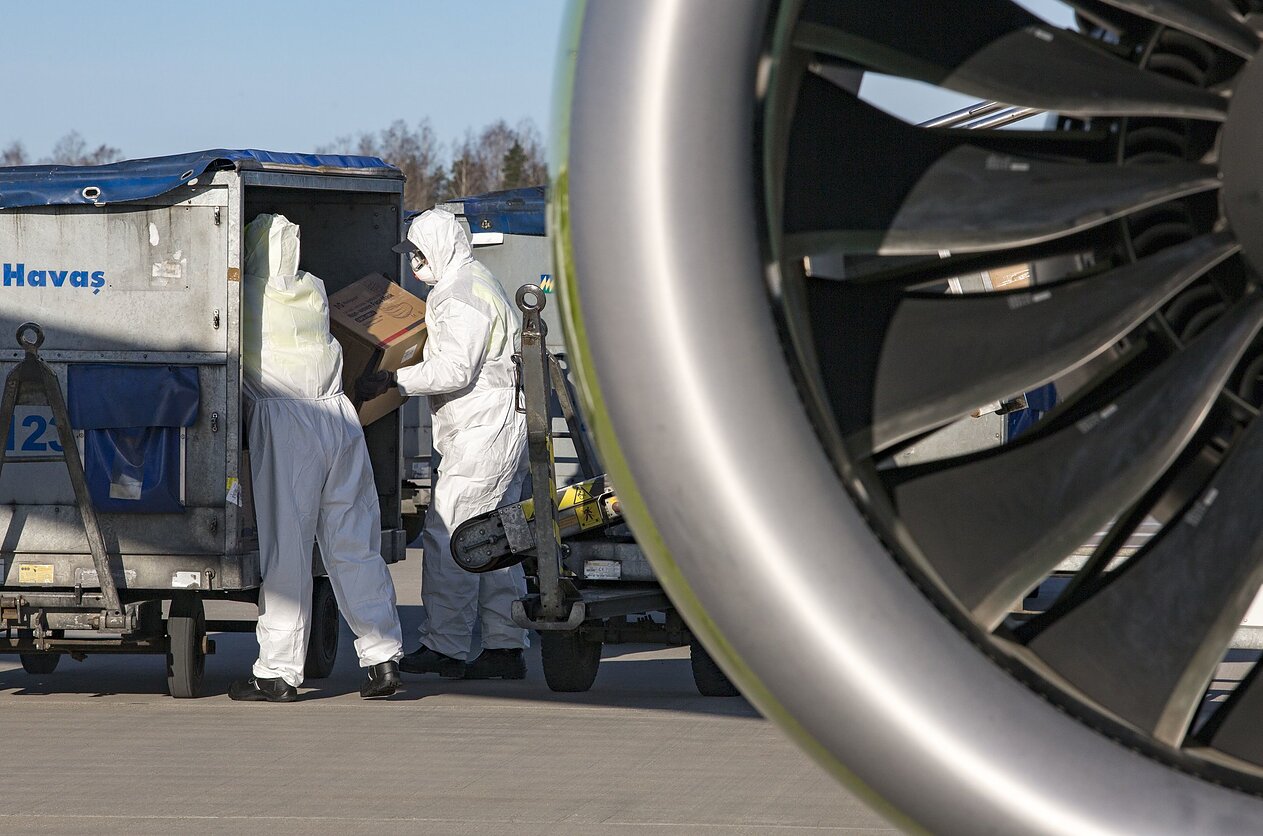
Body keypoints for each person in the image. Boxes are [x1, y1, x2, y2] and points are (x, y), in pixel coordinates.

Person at [230, 213, 404, 702]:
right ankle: (383, 658)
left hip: (287, 423)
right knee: (354, 544)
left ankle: (278, 671)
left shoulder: (248, 295)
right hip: (338, 418)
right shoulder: (314, 290)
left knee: (287, 549)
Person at [358, 208, 529, 680]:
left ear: (441, 249)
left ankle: (446, 645)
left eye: (419, 254)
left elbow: (455, 369)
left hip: (483, 429)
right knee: (499, 537)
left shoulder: (459, 295)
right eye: (411, 255)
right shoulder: (474, 281)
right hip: (494, 425)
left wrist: (394, 378)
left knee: (451, 531)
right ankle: (504, 645)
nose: (415, 264)